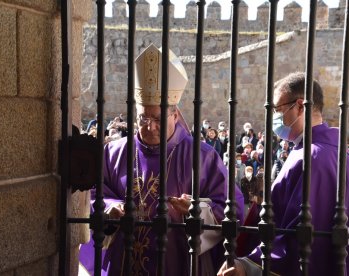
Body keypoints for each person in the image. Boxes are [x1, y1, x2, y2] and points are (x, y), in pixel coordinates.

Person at [79, 44, 244, 275]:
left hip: (177, 264)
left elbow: (233, 209)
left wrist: (198, 210)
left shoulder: (202, 156)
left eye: (157, 118)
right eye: (142, 118)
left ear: (175, 115)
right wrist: (110, 209)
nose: (149, 126)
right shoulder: (114, 153)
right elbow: (91, 196)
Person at [218, 72, 349, 276]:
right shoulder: (328, 147)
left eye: (278, 109)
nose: (274, 116)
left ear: (300, 106)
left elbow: (300, 235)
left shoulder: (314, 157)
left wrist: (248, 265)